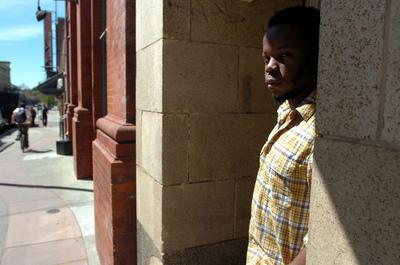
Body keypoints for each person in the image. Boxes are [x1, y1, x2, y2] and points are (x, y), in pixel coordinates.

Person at [247, 6, 320, 265]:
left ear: (314, 59)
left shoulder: (320, 134)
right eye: (266, 58)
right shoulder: (286, 113)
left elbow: (322, 237)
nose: (270, 68)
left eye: (284, 55)